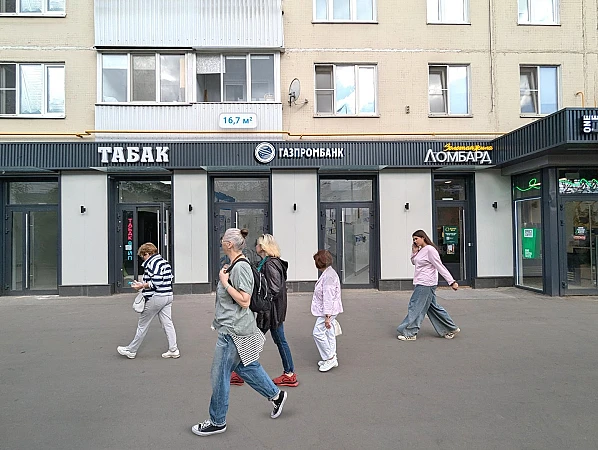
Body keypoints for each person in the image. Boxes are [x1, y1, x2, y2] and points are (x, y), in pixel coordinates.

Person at [192, 228, 287, 437]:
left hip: (233, 331)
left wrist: (225, 283)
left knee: (219, 375)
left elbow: (245, 300)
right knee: (245, 367)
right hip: (235, 327)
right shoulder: (235, 265)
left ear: (229, 244)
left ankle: (217, 421)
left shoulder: (241, 267)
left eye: (223, 240)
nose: (220, 242)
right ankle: (276, 395)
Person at [117, 242, 179, 359]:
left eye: (142, 256)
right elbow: (165, 279)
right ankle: (173, 349)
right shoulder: (164, 262)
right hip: (168, 296)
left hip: (157, 297)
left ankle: (131, 350)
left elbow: (156, 282)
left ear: (147, 254)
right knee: (167, 323)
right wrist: (143, 284)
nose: (142, 259)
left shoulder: (152, 263)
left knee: (143, 324)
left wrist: (141, 286)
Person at [396, 229, 461, 341]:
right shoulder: (421, 250)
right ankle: (450, 329)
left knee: (415, 306)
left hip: (426, 283)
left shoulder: (430, 250)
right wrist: (414, 252)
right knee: (433, 308)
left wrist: (451, 281)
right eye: (413, 239)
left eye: (416, 239)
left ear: (423, 238)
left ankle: (410, 333)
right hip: (422, 282)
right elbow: (414, 262)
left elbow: (439, 266)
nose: (414, 241)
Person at [255, 234, 298, 387]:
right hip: (273, 311)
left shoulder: (270, 264)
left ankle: (289, 374)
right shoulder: (270, 262)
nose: (256, 246)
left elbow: (274, 289)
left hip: (270, 311)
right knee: (277, 340)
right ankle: (289, 373)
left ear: (263, 247)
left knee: (254, 338)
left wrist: (260, 302)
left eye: (257, 244)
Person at [311, 250, 343, 373]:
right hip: (331, 310)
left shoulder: (328, 276)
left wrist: (327, 316)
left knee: (317, 333)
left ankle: (330, 358)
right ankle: (331, 356)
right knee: (329, 332)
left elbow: (328, 297)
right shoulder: (330, 273)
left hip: (329, 311)